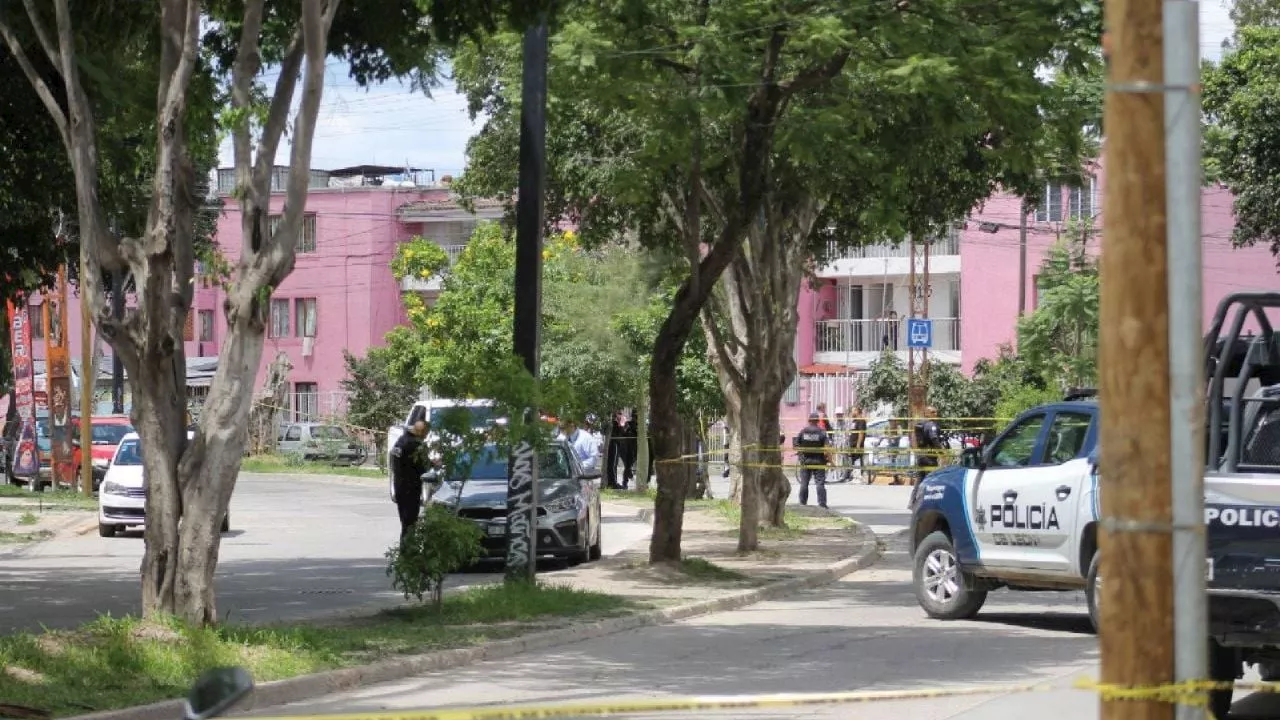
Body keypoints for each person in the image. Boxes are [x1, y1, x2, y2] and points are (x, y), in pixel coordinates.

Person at [390, 420, 429, 541]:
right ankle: (408, 553)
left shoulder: (400, 440)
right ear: (421, 432)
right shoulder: (415, 445)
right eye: (426, 433)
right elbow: (422, 467)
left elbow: (395, 462)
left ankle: (405, 553)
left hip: (399, 486)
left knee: (405, 523)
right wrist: (433, 464)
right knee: (410, 524)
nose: (426, 436)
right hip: (411, 488)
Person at [793, 411, 831, 508]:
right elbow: (827, 449)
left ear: (809, 420)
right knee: (820, 483)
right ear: (818, 421)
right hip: (819, 461)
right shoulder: (822, 432)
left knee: (804, 483)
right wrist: (830, 460)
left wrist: (801, 454)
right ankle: (822, 503)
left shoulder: (803, 431)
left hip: (805, 461)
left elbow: (796, 445)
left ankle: (802, 502)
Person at [913, 406, 945, 485]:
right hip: (929, 457)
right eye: (933, 412)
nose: (935, 414)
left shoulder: (921, 424)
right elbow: (934, 439)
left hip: (921, 455)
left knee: (920, 480)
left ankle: (914, 497)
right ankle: (929, 496)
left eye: (936, 412)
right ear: (927, 414)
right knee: (932, 480)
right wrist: (942, 453)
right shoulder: (931, 425)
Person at [620, 414, 638, 489]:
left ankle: (628, 478)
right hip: (626, 448)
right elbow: (623, 432)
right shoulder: (628, 424)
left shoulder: (638, 425)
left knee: (628, 466)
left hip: (633, 448)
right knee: (627, 466)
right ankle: (625, 482)